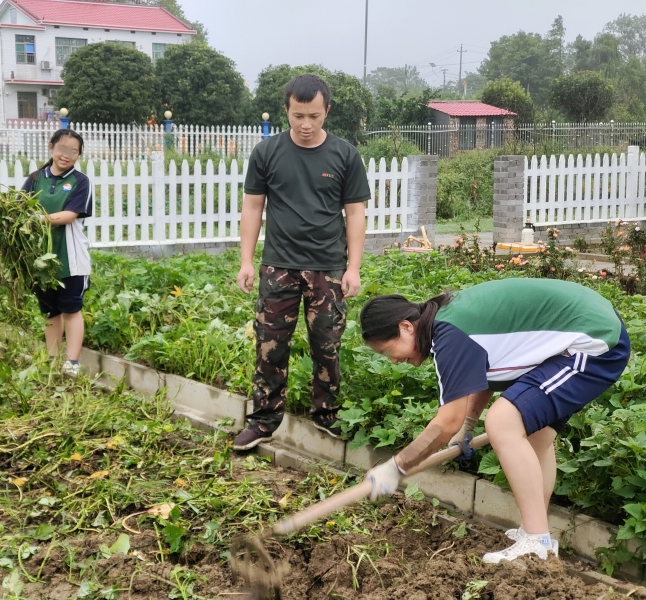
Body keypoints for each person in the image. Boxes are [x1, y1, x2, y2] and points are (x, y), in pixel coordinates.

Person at [360, 278, 630, 563]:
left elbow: (447, 421)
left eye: (386, 351)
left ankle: (536, 540)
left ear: (406, 326)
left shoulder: (449, 334)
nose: (392, 360)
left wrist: (397, 466)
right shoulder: (449, 324)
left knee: (503, 421)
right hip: (578, 335)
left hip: (595, 342)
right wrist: (468, 425)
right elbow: (482, 376)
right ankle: (537, 536)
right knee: (536, 437)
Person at [233, 74, 370, 451]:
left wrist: (353, 267)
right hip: (278, 266)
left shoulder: (345, 155)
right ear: (286, 111)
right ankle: (263, 419)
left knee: (327, 344)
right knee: (270, 345)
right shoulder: (267, 153)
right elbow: (253, 207)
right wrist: (246, 260)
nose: (305, 124)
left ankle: (327, 413)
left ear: (327, 111)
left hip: (327, 267)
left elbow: (355, 213)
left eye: (314, 116)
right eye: (297, 116)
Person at [22, 129, 92, 377]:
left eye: (73, 151)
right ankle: (51, 360)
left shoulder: (80, 182)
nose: (66, 155)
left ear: (78, 155)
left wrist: (37, 219)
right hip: (40, 259)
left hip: (70, 259)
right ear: (51, 147)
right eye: (62, 148)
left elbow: (70, 215)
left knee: (71, 310)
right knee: (50, 312)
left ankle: (72, 362)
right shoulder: (34, 179)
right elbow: (20, 208)